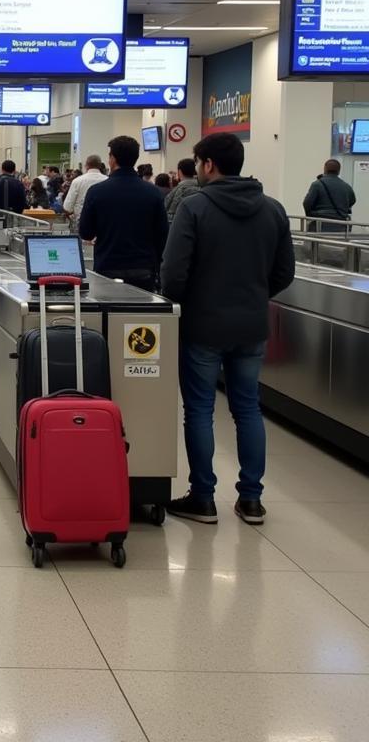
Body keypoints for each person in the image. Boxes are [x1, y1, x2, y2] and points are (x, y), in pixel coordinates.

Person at [161, 133, 295, 526]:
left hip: (203, 325)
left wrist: (192, 300)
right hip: (251, 326)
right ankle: (251, 499)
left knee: (200, 411)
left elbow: (173, 273)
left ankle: (203, 497)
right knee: (248, 409)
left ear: (207, 165)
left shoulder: (195, 207)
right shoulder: (273, 209)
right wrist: (253, 295)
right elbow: (284, 272)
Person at [78, 136, 168, 293]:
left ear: (112, 159)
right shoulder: (153, 193)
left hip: (108, 268)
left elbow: (86, 232)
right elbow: (162, 234)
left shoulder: (97, 192)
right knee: (140, 314)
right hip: (143, 270)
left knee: (109, 315)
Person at [302, 159, 356, 232]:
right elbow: (353, 200)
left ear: (325, 169)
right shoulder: (347, 186)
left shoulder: (317, 184)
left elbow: (307, 203)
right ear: (339, 171)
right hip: (341, 225)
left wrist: (311, 216)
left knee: (316, 243)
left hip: (319, 224)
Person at [62, 154, 107, 222]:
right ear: (100, 166)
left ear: (86, 166)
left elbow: (67, 207)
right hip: (103, 221)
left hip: (81, 220)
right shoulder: (108, 180)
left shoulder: (77, 181)